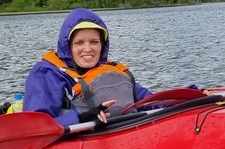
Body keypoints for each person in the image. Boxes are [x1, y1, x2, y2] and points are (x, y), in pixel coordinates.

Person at [23, 8, 152, 126]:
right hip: (74, 139)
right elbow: (35, 126)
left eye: (94, 42)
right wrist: (80, 118)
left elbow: (151, 102)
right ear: (68, 46)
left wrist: (165, 103)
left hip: (121, 134)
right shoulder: (47, 73)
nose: (88, 49)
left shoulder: (112, 72)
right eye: (79, 43)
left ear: (102, 46)